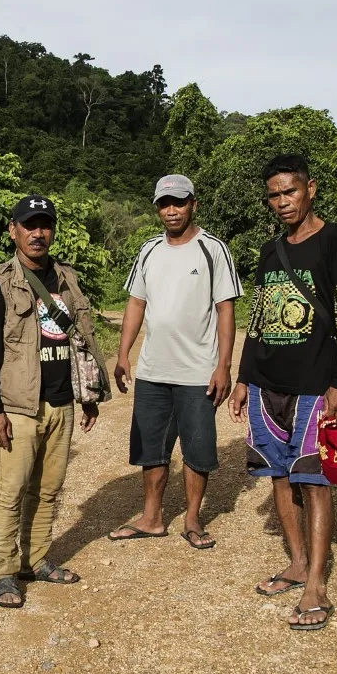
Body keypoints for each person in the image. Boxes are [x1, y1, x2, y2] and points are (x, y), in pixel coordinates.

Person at [229, 154, 337, 632]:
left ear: (311, 189)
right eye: (274, 195)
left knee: (314, 479)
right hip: (267, 385)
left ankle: (317, 586)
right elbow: (259, 318)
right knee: (278, 475)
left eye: (290, 191)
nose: (282, 201)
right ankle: (297, 563)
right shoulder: (271, 251)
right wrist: (243, 378)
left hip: (314, 385)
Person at [0, 194, 110, 609]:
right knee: (10, 492)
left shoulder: (66, 278)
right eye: (29, 225)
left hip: (61, 403)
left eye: (45, 225)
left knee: (48, 491)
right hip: (18, 406)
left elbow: (82, 340)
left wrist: (88, 396)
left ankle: (35, 560)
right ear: (13, 230)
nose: (38, 233)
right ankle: (3, 573)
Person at [109, 175, 243, 549]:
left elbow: (225, 309)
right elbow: (136, 302)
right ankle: (152, 517)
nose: (171, 210)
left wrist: (223, 366)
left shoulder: (213, 249)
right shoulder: (149, 250)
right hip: (154, 369)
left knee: (197, 449)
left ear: (193, 205)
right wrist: (123, 354)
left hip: (198, 371)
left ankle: (193, 519)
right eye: (164, 203)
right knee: (151, 447)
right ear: (157, 208)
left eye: (179, 202)